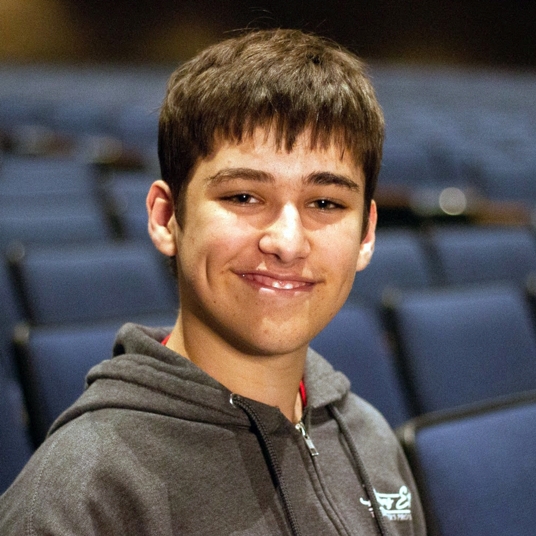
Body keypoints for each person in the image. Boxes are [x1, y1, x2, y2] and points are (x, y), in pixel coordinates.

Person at [0, 29, 426, 535]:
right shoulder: (78, 499)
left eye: (325, 203)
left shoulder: (371, 438)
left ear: (367, 234)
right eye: (244, 197)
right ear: (165, 218)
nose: (287, 243)